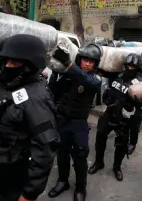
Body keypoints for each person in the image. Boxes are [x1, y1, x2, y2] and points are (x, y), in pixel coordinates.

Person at [0, 34, 59, 201]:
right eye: (7, 61)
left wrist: (29, 194)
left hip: (16, 175)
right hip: (0, 169)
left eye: (15, 62)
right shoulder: (8, 84)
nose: (8, 65)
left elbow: (46, 148)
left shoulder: (36, 99)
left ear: (30, 66)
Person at [48, 44, 102, 201]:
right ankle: (62, 181)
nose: (88, 64)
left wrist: (69, 65)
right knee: (62, 153)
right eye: (85, 60)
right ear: (80, 59)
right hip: (62, 120)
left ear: (96, 64)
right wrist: (56, 72)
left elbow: (90, 82)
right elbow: (53, 91)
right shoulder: (68, 74)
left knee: (80, 156)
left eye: (92, 62)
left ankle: (80, 188)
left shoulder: (94, 78)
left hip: (79, 124)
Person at [88, 53, 142, 181]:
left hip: (124, 118)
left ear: (137, 68)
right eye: (128, 65)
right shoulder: (116, 75)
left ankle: (117, 167)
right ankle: (99, 162)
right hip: (109, 112)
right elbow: (101, 70)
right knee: (100, 137)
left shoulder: (139, 83)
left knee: (121, 145)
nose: (130, 68)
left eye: (133, 66)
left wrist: (138, 104)